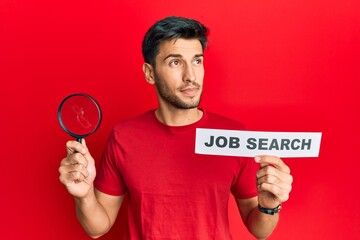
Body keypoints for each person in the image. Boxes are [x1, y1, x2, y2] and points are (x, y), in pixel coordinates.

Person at [59, 16, 293, 239]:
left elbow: (260, 230)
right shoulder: (124, 136)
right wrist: (84, 195)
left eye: (197, 61)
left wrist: (270, 206)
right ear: (150, 73)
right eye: (175, 62)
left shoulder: (233, 137)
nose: (190, 76)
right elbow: (97, 228)